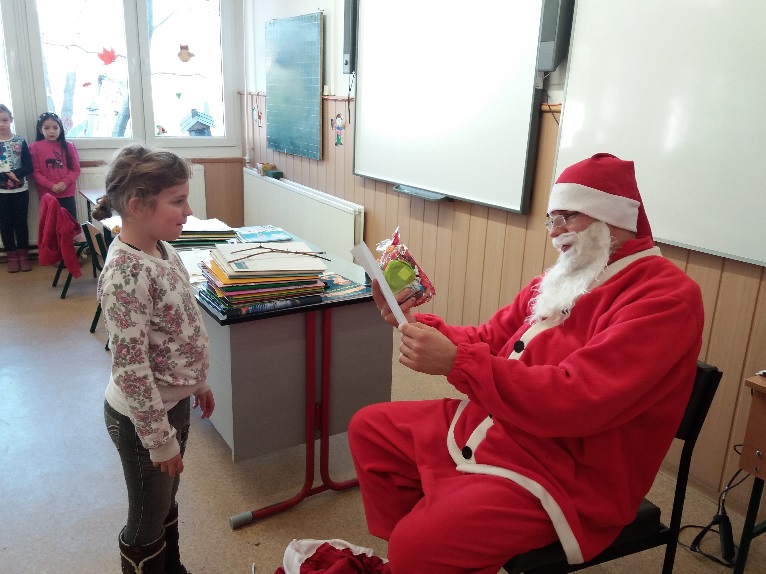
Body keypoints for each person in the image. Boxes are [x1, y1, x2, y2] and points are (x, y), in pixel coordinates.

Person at [348, 153, 705, 574]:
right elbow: (488, 339)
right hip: (501, 427)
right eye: (552, 221)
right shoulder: (562, 278)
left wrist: (458, 362)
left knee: (417, 545)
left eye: (567, 218)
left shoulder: (666, 297)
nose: (555, 233)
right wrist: (414, 323)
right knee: (370, 429)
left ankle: (429, 549)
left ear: (612, 215)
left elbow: (577, 399)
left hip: (565, 471)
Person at [94, 145, 214, 574]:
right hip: (141, 419)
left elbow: (180, 329)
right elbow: (132, 369)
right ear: (136, 205)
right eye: (178, 201)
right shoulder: (125, 275)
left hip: (171, 404)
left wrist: (198, 383)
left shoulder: (162, 250)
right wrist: (159, 439)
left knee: (165, 501)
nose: (189, 211)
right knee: (146, 519)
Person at [29, 111, 81, 222]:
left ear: (60, 129)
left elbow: (76, 169)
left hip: (67, 192)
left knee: (70, 224)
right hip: (47, 194)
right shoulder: (34, 147)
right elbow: (35, 172)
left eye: (55, 128)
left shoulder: (69, 146)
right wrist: (51, 186)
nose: (51, 131)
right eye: (46, 128)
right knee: (51, 225)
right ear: (40, 130)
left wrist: (64, 183)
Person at [0, 104, 33, 272]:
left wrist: (17, 173)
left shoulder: (20, 141)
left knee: (21, 223)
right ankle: (11, 257)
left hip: (20, 190)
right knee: (5, 224)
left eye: (5, 120)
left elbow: (28, 166)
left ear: (11, 120)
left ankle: (23, 256)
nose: (1, 124)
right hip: (1, 193)